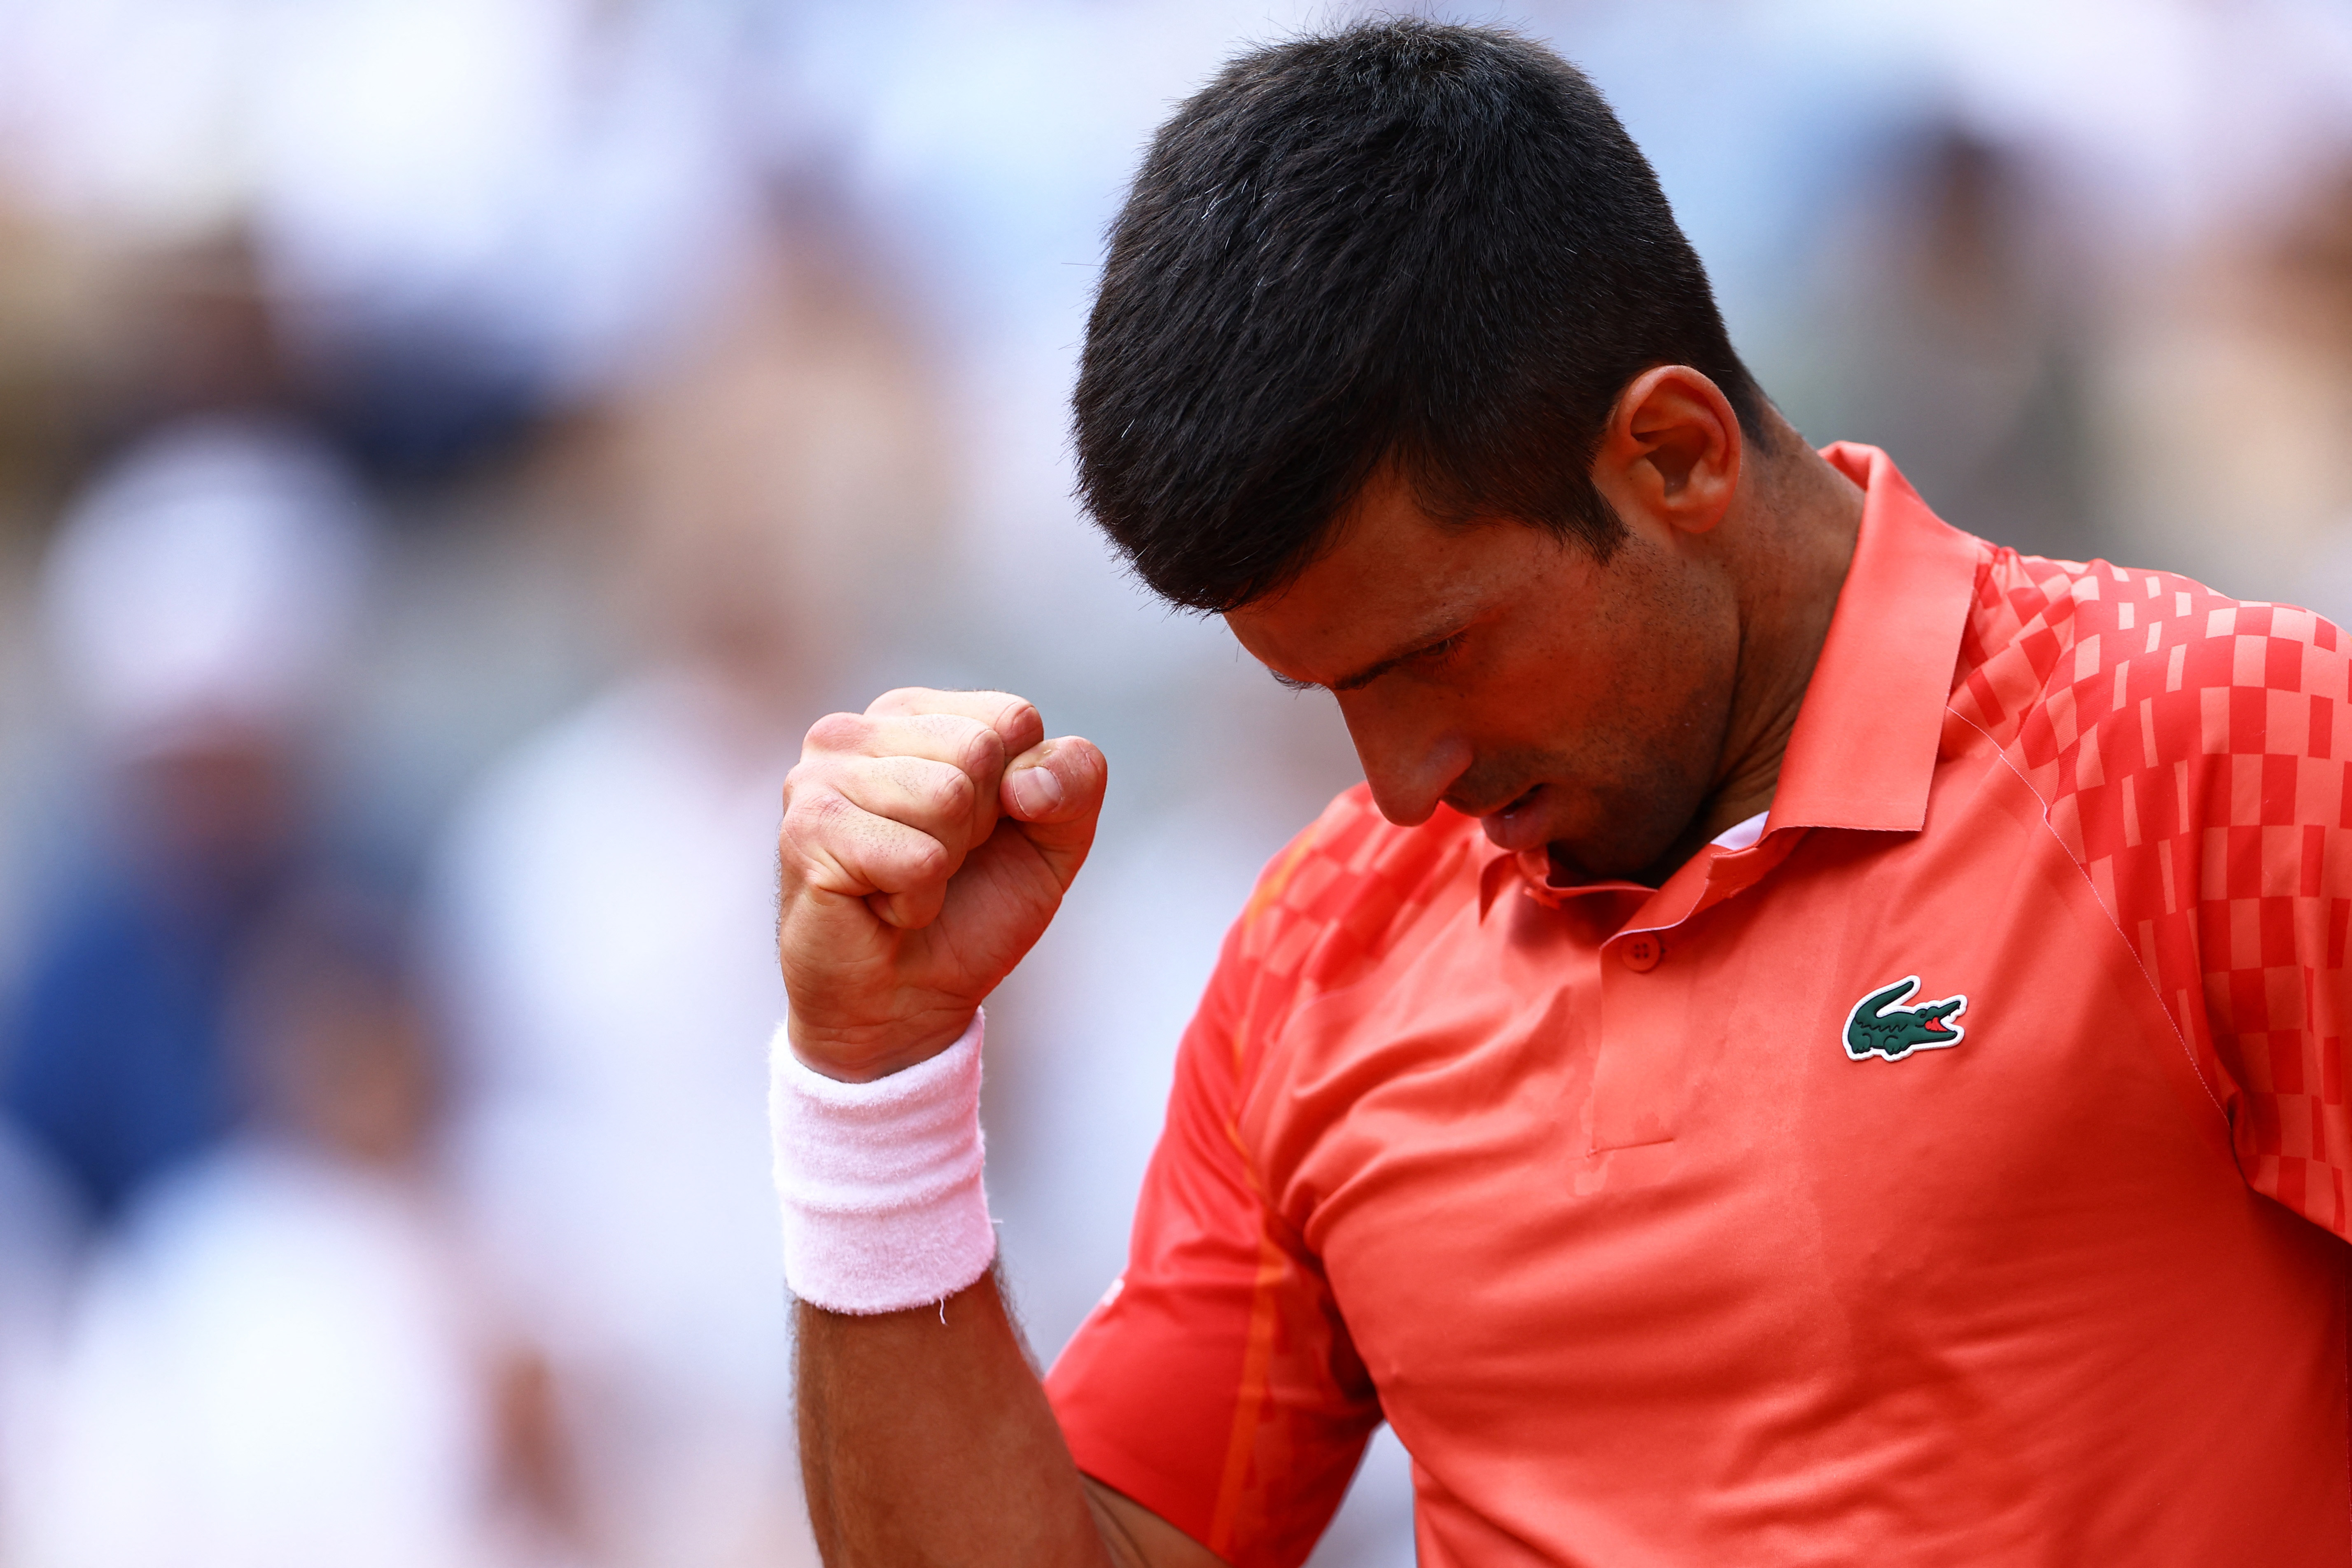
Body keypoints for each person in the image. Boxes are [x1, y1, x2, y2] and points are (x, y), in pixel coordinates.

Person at [771, 20, 2352, 1567]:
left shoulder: (2225, 749)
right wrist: (875, 1087)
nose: (1398, 787)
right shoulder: (1316, 958)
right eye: (1330, 695)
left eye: (1439, 651)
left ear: (1673, 456)